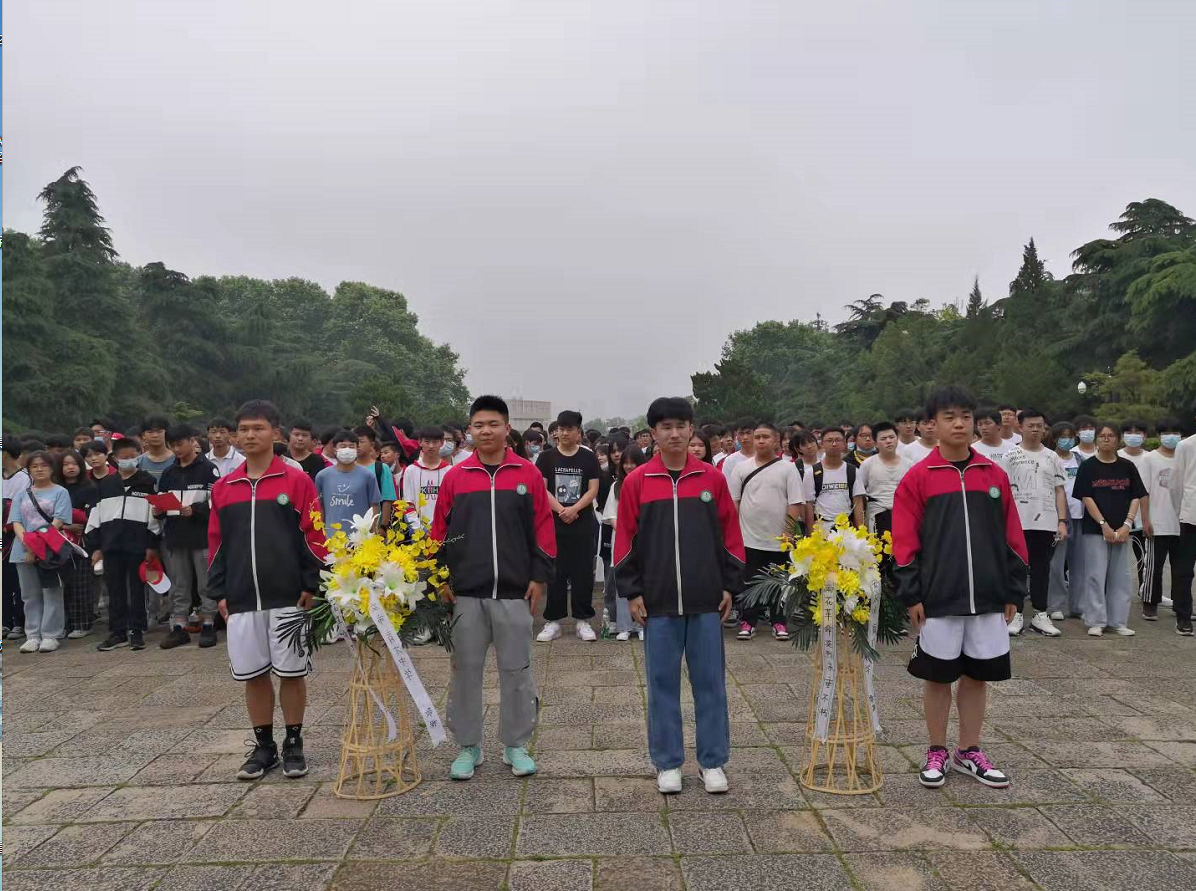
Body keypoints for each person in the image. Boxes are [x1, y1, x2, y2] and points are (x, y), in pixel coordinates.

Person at [894, 386, 1025, 790]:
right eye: (949, 416)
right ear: (931, 425)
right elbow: (904, 541)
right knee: (938, 677)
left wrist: (1013, 590)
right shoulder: (919, 478)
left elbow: (1012, 536)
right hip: (938, 597)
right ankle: (937, 749)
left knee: (977, 676)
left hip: (987, 595)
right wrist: (912, 593)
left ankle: (970, 751)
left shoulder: (993, 475)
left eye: (965, 416)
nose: (959, 424)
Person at [615, 396, 745, 795]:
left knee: (710, 683)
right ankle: (668, 762)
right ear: (652, 434)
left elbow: (731, 538)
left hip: (706, 600)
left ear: (692, 430)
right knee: (662, 684)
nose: (674, 433)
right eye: (665, 427)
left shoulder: (711, 479)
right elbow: (624, 543)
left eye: (681, 426)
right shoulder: (638, 482)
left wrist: (728, 585)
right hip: (658, 602)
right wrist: (632, 592)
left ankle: (713, 761)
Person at [431, 395, 555, 781]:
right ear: (470, 430)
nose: (486, 430)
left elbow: (543, 531)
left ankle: (515, 744)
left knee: (517, 670)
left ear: (506, 429)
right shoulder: (455, 477)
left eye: (493, 424)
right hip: (466, 594)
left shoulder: (527, 475)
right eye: (478, 425)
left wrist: (538, 578)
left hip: (514, 593)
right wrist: (440, 579)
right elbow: (439, 533)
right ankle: (468, 745)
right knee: (464, 671)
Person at [207, 400, 326, 780]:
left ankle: (294, 742)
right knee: (253, 673)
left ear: (276, 434)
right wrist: (219, 591)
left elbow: (314, 536)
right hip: (242, 595)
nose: (249, 435)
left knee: (291, 672)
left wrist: (312, 583)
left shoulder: (297, 482)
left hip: (288, 594)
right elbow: (216, 543)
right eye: (243, 429)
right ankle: (264, 746)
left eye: (258, 428)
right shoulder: (225, 487)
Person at [729, 422, 804, 642]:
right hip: (749, 537)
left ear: (776, 440)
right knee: (749, 581)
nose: (761, 441)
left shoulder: (788, 468)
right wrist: (735, 532)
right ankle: (748, 621)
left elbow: (795, 502)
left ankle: (779, 621)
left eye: (766, 437)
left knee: (780, 582)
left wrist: (788, 532)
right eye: (757, 436)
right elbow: (734, 501)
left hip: (779, 538)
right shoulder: (741, 468)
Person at [86, 438, 161, 652]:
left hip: (137, 545)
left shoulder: (147, 482)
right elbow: (95, 517)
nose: (128, 461)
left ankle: (137, 630)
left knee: (136, 590)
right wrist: (96, 546)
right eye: (123, 458)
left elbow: (154, 518)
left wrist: (150, 544)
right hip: (111, 545)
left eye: (132, 457)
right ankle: (117, 631)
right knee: (115, 589)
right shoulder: (107, 484)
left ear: (140, 455)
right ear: (114, 458)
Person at [1072, 422, 1145, 638]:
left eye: (1110, 435)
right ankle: (1095, 620)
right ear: (1096, 439)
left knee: (1120, 576)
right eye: (1102, 436)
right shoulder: (1088, 466)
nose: (1106, 439)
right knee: (1095, 574)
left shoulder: (1127, 466)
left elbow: (1136, 496)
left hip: (1123, 529)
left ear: (1117, 439)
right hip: (1095, 529)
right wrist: (1103, 525)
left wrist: (1127, 525)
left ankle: (1117, 620)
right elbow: (1087, 497)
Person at [536, 410, 602, 642]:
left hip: (582, 523)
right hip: (555, 524)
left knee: (583, 572)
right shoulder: (546, 458)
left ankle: (583, 620)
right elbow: (542, 489)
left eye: (569, 429)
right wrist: (561, 510)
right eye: (560, 429)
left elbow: (593, 489)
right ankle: (553, 620)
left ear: (578, 432)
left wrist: (574, 509)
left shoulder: (588, 458)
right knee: (555, 573)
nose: (564, 433)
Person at [1000, 410, 1067, 638]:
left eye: (1040, 425)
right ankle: (1015, 613)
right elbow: (1003, 492)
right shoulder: (1010, 455)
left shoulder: (1052, 456)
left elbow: (1059, 490)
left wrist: (1062, 521)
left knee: (1042, 569)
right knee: (1016, 568)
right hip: (1018, 522)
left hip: (1047, 522)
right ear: (1021, 427)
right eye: (1031, 425)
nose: (1036, 429)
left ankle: (1040, 614)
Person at [155, 425, 222, 649]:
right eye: (172, 445)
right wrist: (158, 510)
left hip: (202, 536)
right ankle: (179, 626)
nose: (176, 449)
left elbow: (217, 502)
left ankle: (208, 623)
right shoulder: (168, 473)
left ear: (191, 441)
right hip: (176, 536)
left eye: (179, 444)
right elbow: (161, 500)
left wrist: (196, 510)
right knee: (179, 585)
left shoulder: (208, 469)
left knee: (205, 583)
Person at [8, 450, 73, 653]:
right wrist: (27, 542)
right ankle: (33, 634)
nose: (39, 469)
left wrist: (38, 545)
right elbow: (16, 521)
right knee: (29, 594)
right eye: (34, 466)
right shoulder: (21, 495)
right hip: (23, 549)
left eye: (43, 465)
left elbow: (58, 521)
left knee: (52, 591)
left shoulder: (61, 492)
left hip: (50, 548)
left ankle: (51, 634)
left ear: (52, 468)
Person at [601, 444, 649, 641]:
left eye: (633, 463)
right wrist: (625, 529)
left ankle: (641, 625)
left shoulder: (648, 483)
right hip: (621, 539)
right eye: (626, 463)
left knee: (643, 583)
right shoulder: (616, 486)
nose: (629, 466)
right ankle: (623, 626)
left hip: (644, 540)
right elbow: (610, 514)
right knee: (623, 582)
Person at [1141, 418, 1184, 627]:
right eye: (1167, 432)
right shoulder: (1150, 459)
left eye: (1176, 432)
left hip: (1183, 522)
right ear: (1159, 436)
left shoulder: (1186, 457)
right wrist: (1145, 519)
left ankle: (1181, 605)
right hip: (1157, 521)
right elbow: (1144, 492)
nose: (1171, 436)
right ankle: (1150, 602)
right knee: (1153, 567)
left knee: (1181, 568)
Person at [56, 450, 100, 639]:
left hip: (83, 542)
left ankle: (83, 623)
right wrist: (66, 526)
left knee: (81, 583)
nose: (70, 467)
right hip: (59, 540)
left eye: (74, 464)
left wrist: (81, 526)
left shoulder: (90, 487)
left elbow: (95, 514)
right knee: (63, 585)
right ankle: (66, 623)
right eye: (65, 464)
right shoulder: (56, 489)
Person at [1046, 422, 1086, 622]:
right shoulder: (1049, 458)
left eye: (1070, 436)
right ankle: (1054, 605)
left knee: (1079, 565)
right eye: (1062, 436)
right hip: (1059, 518)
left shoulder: (1081, 459)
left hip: (1081, 517)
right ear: (1054, 438)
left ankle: (1077, 605)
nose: (1067, 440)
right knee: (1057, 565)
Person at [853, 421, 914, 539]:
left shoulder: (909, 464)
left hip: (903, 515)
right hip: (877, 515)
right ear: (875, 443)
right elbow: (859, 495)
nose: (888, 441)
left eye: (892, 437)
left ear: (897, 439)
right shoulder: (867, 464)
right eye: (883, 438)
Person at [314, 430, 382, 536]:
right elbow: (320, 507)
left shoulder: (367, 476)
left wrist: (374, 533)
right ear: (335, 449)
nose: (347, 450)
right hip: (331, 539)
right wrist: (319, 534)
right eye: (342, 446)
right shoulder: (323, 476)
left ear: (357, 449)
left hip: (360, 538)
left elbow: (374, 506)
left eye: (351, 446)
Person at [1168, 410, 1196, 636]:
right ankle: (1183, 616)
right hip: (1192, 515)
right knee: (1185, 569)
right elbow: (1175, 483)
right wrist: (1182, 511)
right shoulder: (1186, 446)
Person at [803, 428, 864, 530]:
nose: (834, 444)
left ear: (844, 443)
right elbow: (808, 505)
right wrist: (810, 533)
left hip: (846, 528)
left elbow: (858, 503)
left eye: (838, 440)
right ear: (822, 444)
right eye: (829, 440)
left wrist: (861, 532)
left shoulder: (853, 471)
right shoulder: (811, 473)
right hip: (821, 528)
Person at [1117, 419, 1151, 599]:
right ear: (1122, 436)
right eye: (1129, 432)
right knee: (1117, 556)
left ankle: (1146, 588)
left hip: (1143, 515)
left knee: (1144, 556)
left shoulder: (1149, 457)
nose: (1134, 435)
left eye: (1138, 432)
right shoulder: (1116, 456)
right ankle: (1116, 590)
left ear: (1145, 436)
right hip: (1119, 514)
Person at [3, 438, 31, 639]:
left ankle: (19, 623)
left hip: (16, 535)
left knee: (18, 581)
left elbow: (23, 508)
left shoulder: (24, 478)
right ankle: (5, 621)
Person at [401, 427, 452, 533]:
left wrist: (440, 527)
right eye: (427, 442)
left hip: (444, 530)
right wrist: (419, 530)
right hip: (417, 533)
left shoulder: (450, 471)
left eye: (435, 442)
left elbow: (452, 505)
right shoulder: (410, 471)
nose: (431, 446)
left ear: (442, 443)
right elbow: (408, 504)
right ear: (420, 442)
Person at [354, 425, 398, 528]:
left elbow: (387, 500)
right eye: (355, 442)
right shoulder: (347, 468)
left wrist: (383, 526)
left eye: (362, 441)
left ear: (372, 444)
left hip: (374, 527)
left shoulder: (381, 468)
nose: (358, 445)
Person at [138, 415, 177, 485]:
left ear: (166, 433)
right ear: (143, 435)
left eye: (159, 432)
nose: (155, 435)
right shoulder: (138, 462)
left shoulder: (177, 460)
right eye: (150, 432)